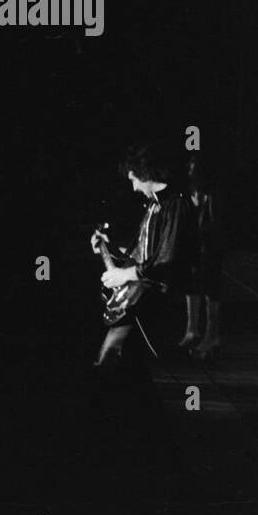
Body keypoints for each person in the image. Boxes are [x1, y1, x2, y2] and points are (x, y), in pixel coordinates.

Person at [90, 142, 198, 368]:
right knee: (118, 358)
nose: (134, 188)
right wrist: (109, 247)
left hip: (152, 299)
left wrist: (125, 275)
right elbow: (143, 255)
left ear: (146, 174)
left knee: (113, 357)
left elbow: (168, 260)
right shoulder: (154, 205)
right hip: (140, 295)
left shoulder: (176, 204)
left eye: (134, 179)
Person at [177, 154, 225, 360]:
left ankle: (212, 335)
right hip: (194, 248)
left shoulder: (212, 194)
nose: (189, 171)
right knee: (191, 285)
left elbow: (216, 224)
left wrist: (201, 235)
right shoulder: (188, 193)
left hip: (210, 248)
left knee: (211, 290)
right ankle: (192, 329)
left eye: (193, 168)